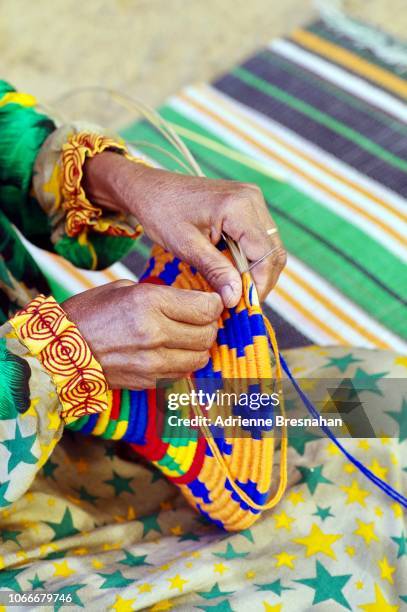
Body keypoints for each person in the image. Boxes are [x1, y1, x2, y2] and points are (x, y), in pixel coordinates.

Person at [0, 80, 286, 509]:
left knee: (382, 405)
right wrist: (51, 357)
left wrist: (117, 179)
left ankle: (149, 412)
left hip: (97, 386)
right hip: (21, 477)